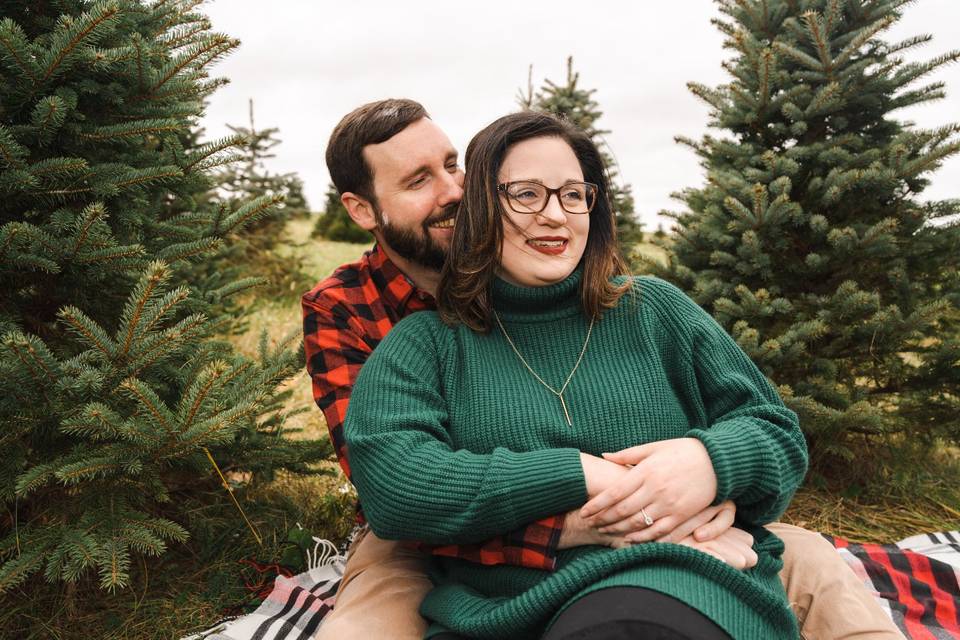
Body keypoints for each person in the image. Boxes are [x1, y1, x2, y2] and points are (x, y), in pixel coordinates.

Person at [301, 99, 906, 639]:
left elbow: (771, 432)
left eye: (453, 165)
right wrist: (623, 505)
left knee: (817, 570)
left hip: (685, 560)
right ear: (363, 209)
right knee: (367, 624)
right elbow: (396, 488)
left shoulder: (648, 308)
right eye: (417, 181)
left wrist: (704, 468)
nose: (452, 192)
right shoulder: (366, 319)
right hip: (441, 546)